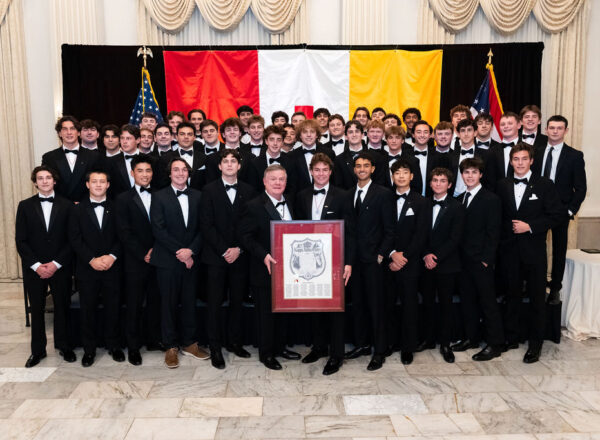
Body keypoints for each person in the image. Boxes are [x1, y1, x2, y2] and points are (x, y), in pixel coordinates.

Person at [496, 143, 563, 363]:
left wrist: (530, 226)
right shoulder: (503, 185)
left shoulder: (545, 185)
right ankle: (512, 337)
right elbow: (500, 218)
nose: (520, 163)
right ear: (511, 161)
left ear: (531, 161)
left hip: (534, 252)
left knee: (536, 298)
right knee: (512, 295)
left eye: (524, 159)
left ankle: (536, 343)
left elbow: (556, 216)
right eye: (516, 159)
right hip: (509, 251)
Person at [295, 153, 354, 375]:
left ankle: (336, 355)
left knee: (336, 308)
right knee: (314, 304)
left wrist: (348, 263)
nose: (321, 174)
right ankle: (319, 347)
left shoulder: (343, 196)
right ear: (311, 171)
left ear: (331, 172)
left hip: (336, 261)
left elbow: (351, 233)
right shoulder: (301, 196)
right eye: (317, 170)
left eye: (325, 170)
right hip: (310, 263)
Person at [239, 165, 301, 370]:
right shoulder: (253, 205)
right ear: (264, 182)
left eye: (281, 179)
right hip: (264, 269)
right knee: (266, 314)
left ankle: (280, 347)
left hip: (289, 271)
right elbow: (245, 237)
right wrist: (264, 255)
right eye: (273, 179)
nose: (277, 183)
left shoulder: (291, 201)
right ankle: (266, 354)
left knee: (283, 311)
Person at [200, 150, 257, 369]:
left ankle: (234, 342)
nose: (230, 164)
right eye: (226, 161)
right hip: (216, 257)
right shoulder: (208, 190)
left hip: (240, 257)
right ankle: (215, 346)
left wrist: (239, 249)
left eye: (234, 161)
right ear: (220, 166)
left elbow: (251, 225)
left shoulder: (249, 190)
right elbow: (206, 225)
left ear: (239, 166)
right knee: (214, 303)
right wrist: (225, 249)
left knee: (236, 302)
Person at [150, 157, 208, 368]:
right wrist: (180, 252)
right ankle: (170, 346)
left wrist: (191, 251)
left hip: (192, 259)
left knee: (190, 302)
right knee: (168, 304)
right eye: (176, 169)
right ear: (169, 173)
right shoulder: (159, 196)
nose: (180, 173)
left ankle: (190, 343)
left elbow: (204, 227)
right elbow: (158, 229)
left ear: (189, 173)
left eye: (184, 170)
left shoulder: (199, 196)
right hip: (167, 260)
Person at [16, 166, 75, 368]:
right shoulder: (24, 206)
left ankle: (64, 346)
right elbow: (21, 240)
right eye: (40, 178)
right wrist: (36, 265)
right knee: (38, 310)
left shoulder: (67, 206)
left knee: (62, 307)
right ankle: (37, 351)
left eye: (48, 178)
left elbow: (71, 239)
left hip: (60, 266)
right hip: (35, 269)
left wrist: (56, 264)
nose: (44, 181)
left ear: (54, 181)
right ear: (35, 182)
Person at [343, 152, 395, 371]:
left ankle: (379, 350)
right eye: (358, 165)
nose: (362, 168)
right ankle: (362, 344)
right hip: (353, 261)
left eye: (366, 165)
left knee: (376, 306)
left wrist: (381, 254)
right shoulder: (348, 194)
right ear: (354, 170)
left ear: (373, 169)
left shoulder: (383, 193)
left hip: (374, 261)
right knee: (359, 305)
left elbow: (391, 230)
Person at [452, 158, 505, 361]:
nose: (470, 176)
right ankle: (471, 338)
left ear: (481, 175)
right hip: (463, 261)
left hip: (481, 260)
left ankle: (495, 343)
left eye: (474, 172)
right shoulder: (459, 198)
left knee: (488, 302)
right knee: (468, 301)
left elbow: (494, 232)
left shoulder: (491, 199)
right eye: (466, 173)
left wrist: (487, 259)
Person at [69, 170, 122, 367]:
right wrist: (91, 259)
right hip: (87, 268)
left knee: (113, 308)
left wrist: (112, 256)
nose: (98, 185)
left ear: (108, 185)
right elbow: (74, 238)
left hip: (112, 266)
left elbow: (122, 236)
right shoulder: (76, 209)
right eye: (94, 182)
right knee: (87, 310)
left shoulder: (118, 207)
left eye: (102, 182)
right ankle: (89, 350)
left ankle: (114, 345)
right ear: (87, 185)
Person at [532, 115, 587, 304]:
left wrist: (570, 210)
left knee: (559, 249)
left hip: (561, 211)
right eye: (552, 128)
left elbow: (581, 188)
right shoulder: (536, 153)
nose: (555, 131)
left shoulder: (575, 155)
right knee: (536, 249)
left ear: (566, 131)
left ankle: (555, 287)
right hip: (538, 209)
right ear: (546, 129)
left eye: (559, 128)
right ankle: (535, 283)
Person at [115, 156, 162, 365]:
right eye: (140, 170)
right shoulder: (123, 199)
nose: (145, 174)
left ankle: (153, 339)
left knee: (155, 301)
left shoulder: (161, 195)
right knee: (134, 304)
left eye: (148, 170)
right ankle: (133, 346)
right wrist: (143, 252)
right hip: (135, 260)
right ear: (132, 173)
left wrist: (157, 250)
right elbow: (124, 232)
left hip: (160, 257)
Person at [383, 159, 430, 365]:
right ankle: (390, 341)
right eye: (397, 173)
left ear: (412, 176)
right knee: (388, 303)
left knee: (410, 305)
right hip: (388, 260)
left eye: (405, 173)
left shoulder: (421, 201)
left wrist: (403, 257)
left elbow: (421, 235)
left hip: (410, 263)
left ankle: (408, 346)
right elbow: (383, 230)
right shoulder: (383, 198)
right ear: (392, 177)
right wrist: (392, 253)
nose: (401, 176)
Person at [420, 167, 465, 364]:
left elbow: (455, 238)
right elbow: (418, 234)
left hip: (447, 264)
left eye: (442, 180)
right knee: (427, 302)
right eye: (435, 180)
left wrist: (435, 256)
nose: (438, 183)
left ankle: (445, 343)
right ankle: (428, 339)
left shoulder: (457, 207)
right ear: (430, 183)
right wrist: (425, 255)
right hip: (425, 263)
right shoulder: (422, 204)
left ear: (449, 184)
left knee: (446, 304)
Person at [42, 116, 102, 202]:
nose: (69, 132)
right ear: (59, 133)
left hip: (86, 208)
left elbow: (99, 184)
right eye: (65, 129)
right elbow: (47, 185)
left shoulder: (93, 156)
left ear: (78, 133)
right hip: (60, 208)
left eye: (72, 129)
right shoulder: (49, 157)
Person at [287, 119, 334, 193]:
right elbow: (291, 185)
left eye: (312, 131)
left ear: (317, 135)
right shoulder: (291, 156)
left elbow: (334, 179)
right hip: (300, 201)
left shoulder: (329, 153)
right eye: (305, 132)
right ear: (300, 135)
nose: (308, 135)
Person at [449, 119, 491, 197]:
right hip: (454, 198)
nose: (466, 134)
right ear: (458, 134)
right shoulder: (450, 156)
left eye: (469, 130)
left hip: (478, 198)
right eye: (463, 131)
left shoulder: (487, 155)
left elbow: (490, 181)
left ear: (475, 133)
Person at [248, 125, 295, 194]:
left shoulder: (291, 162)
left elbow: (292, 189)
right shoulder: (254, 163)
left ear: (282, 142)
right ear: (266, 141)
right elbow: (253, 189)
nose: (275, 143)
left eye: (279, 140)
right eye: (272, 139)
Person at [205, 117, 253, 183]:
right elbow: (210, 184)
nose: (232, 132)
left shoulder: (251, 157)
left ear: (240, 133)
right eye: (228, 130)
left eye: (235, 129)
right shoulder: (212, 158)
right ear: (223, 134)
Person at [377, 125, 422, 195]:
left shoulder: (413, 161)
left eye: (397, 138)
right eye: (390, 138)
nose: (394, 141)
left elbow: (417, 186)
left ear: (403, 140)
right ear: (386, 140)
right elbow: (377, 184)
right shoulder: (379, 160)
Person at [409, 120, 449, 197]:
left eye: (425, 132)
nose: (422, 135)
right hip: (410, 199)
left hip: (433, 199)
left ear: (430, 135)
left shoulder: (439, 157)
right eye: (419, 132)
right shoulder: (405, 155)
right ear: (413, 134)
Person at [487, 112, 521, 190]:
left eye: (510, 123)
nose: (506, 126)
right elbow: (489, 179)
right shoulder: (491, 151)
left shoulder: (528, 149)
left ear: (518, 125)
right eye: (502, 124)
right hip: (498, 196)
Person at [106, 124, 141, 198]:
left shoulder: (151, 160)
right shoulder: (111, 162)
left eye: (128, 138)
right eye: (122, 138)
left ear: (138, 140)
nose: (124, 142)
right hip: (121, 205)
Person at [333, 120, 365, 190]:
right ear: (345, 136)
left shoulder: (374, 157)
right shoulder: (339, 160)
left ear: (362, 135)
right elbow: (338, 186)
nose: (354, 135)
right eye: (350, 132)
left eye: (357, 131)